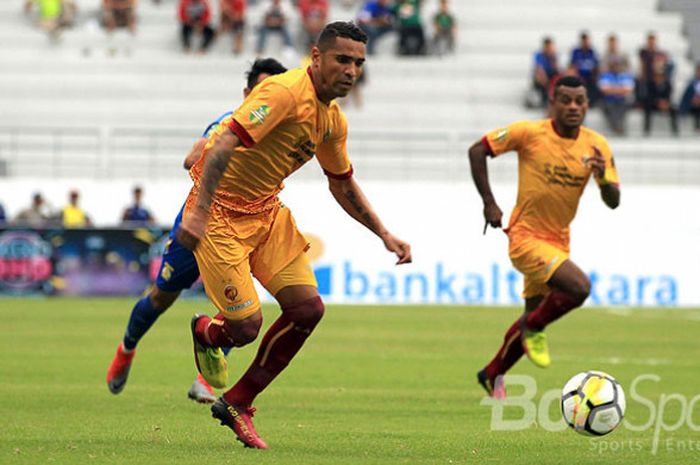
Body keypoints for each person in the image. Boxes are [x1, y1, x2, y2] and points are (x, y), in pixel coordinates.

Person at [176, 21, 412, 449]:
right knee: (246, 327)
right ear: (316, 57)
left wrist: (384, 233)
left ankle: (238, 403)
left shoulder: (332, 120)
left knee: (307, 310)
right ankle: (209, 334)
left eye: (359, 63)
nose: (351, 70)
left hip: (267, 213)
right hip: (219, 217)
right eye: (342, 59)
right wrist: (198, 214)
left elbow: (341, 183)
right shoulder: (283, 93)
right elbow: (225, 143)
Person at [106, 58, 288, 402]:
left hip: (242, 231)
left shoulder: (284, 133)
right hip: (200, 225)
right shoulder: (230, 123)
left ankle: (205, 380)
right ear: (248, 93)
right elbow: (192, 158)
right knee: (161, 296)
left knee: (242, 308)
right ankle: (126, 349)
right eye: (262, 90)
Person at [468, 76, 620, 399]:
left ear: (587, 104)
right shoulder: (530, 133)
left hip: (557, 241)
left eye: (580, 101)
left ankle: (493, 372)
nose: (573, 107)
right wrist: (489, 203)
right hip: (525, 237)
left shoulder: (597, 146)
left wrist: (604, 177)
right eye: (566, 100)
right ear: (553, 102)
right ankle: (535, 329)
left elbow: (614, 201)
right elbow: (477, 150)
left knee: (532, 312)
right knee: (579, 287)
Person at [598, 57, 635, 135]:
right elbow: (604, 90)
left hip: (622, 101)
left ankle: (616, 126)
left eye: (617, 65)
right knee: (609, 106)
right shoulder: (605, 75)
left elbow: (629, 89)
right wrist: (620, 90)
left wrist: (613, 90)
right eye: (614, 65)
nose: (616, 67)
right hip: (609, 101)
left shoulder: (625, 75)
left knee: (623, 106)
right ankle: (617, 127)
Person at [643, 67, 678, 136]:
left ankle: (675, 130)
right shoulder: (650, 84)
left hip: (665, 103)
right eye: (657, 76)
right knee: (647, 109)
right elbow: (649, 96)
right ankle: (646, 130)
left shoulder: (667, 84)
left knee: (673, 110)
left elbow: (669, 95)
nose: (659, 78)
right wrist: (658, 102)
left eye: (661, 76)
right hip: (654, 103)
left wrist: (665, 102)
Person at [569, 32, 599, 106]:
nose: (585, 43)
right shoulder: (576, 52)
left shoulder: (592, 52)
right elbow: (572, 65)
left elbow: (596, 65)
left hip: (590, 76)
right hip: (579, 75)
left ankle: (591, 102)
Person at [532, 37, 559, 108]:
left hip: (551, 76)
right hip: (542, 77)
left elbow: (556, 69)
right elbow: (539, 69)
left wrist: (552, 57)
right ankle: (544, 101)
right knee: (541, 78)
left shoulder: (553, 56)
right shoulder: (539, 55)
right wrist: (544, 79)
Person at [679, 63, 700, 132]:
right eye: (698, 71)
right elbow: (686, 95)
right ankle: (696, 126)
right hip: (692, 104)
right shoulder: (691, 83)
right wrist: (693, 100)